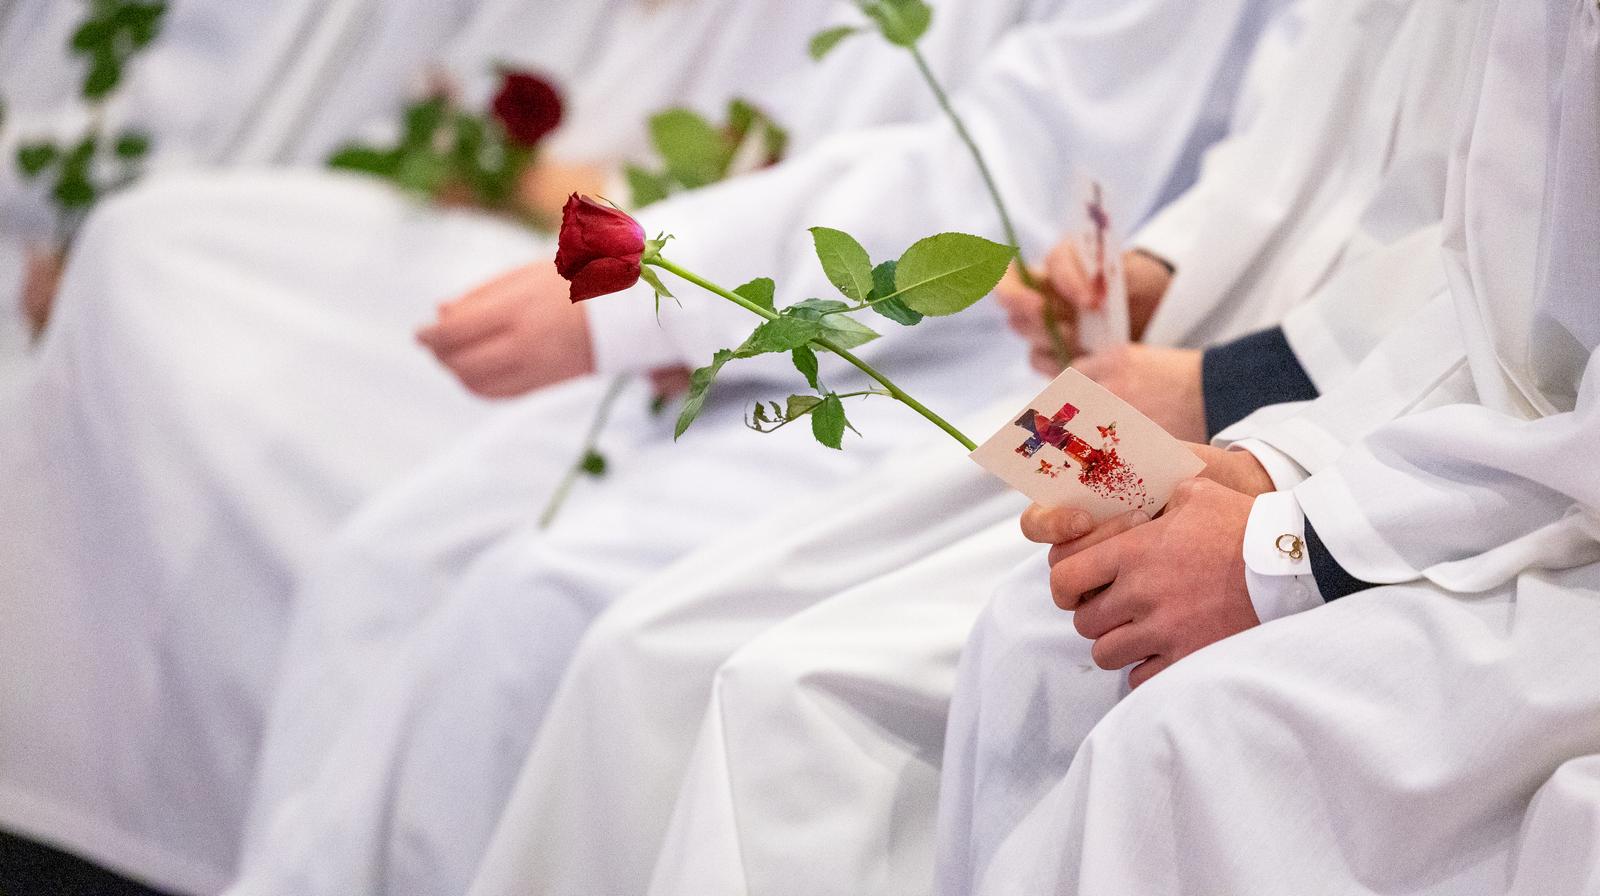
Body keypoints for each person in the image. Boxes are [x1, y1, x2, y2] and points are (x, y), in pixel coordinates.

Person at [226, 3, 1288, 895]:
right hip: (832, 321)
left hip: (990, 364)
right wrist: (685, 288)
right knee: (388, 563)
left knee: (564, 619)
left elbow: (1010, 168)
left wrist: (669, 286)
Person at [465, 1, 1483, 893]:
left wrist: (1235, 382)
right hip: (1207, 361)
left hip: (1347, 424)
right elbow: (1298, 134)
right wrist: (1160, 270)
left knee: (766, 692)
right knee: (636, 640)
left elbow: (1511, 314)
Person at [0, 0, 974, 889]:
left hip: (850, 365)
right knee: (379, 547)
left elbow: (931, 205)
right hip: (679, 298)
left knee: (534, 605)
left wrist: (658, 286)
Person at [938, 0, 1600, 891]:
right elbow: (1498, 286)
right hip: (1424, 424)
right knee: (1039, 628)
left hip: (1546, 519)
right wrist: (1269, 457)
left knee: (1174, 738)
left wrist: (1297, 539)